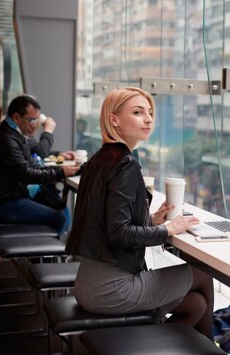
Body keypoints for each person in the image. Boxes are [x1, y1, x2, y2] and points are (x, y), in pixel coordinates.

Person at [65, 87, 215, 340]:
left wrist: (152, 220)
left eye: (150, 113)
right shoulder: (125, 163)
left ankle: (156, 348)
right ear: (114, 119)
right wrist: (168, 229)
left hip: (87, 283)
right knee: (202, 274)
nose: (148, 119)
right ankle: (212, 351)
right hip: (112, 289)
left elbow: (106, 221)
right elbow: (119, 233)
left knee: (196, 305)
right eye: (137, 112)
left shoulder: (99, 159)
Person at [0, 95, 79, 236]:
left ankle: (43, 253)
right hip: (4, 205)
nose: (34, 124)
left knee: (58, 207)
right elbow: (26, 174)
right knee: (60, 219)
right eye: (31, 120)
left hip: (9, 198)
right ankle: (42, 255)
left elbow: (33, 167)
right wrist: (60, 173)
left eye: (36, 120)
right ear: (16, 117)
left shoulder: (14, 135)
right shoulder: (8, 140)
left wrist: (61, 171)